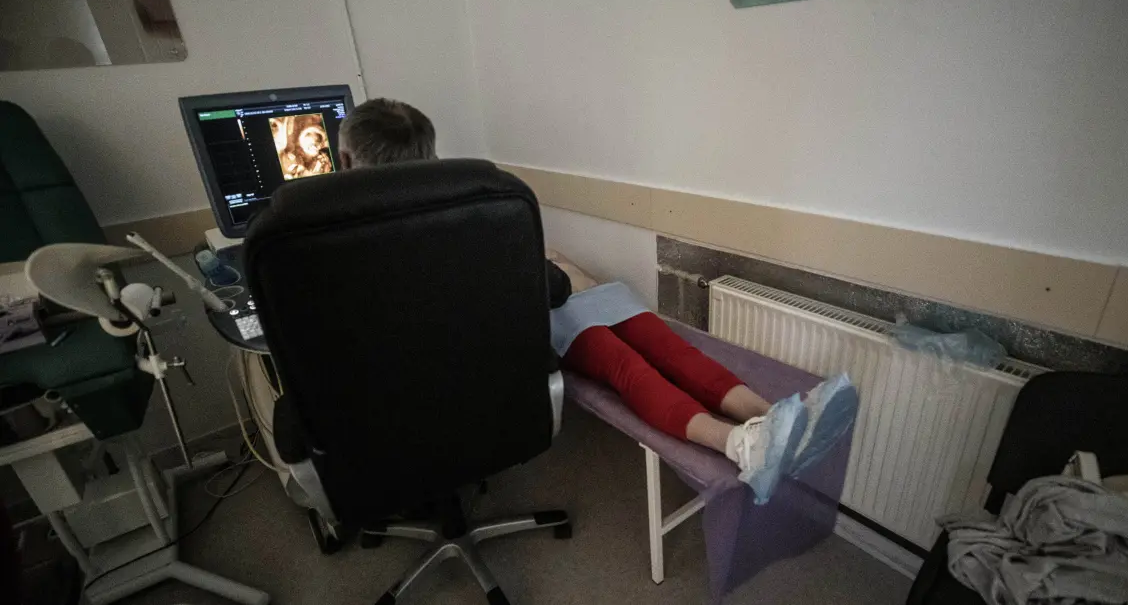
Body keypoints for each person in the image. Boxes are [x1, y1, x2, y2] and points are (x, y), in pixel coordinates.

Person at [337, 98, 857, 501]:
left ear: (344, 161)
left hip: (469, 359)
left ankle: (779, 419)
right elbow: (547, 287)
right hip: (525, 332)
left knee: (667, 346)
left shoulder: (331, 252)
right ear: (430, 157)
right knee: (627, 364)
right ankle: (742, 445)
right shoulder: (470, 218)